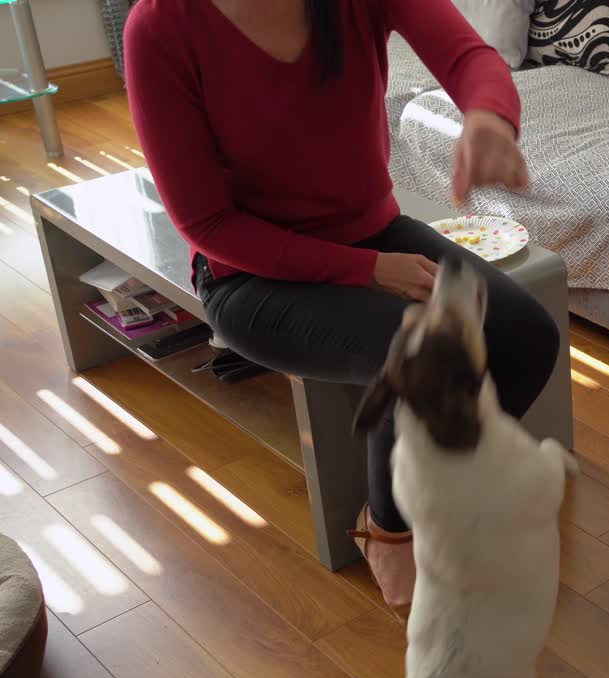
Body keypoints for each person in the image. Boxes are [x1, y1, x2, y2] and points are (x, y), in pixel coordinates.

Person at [124, 0, 559, 618]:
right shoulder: (161, 27)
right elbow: (208, 223)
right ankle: (389, 532)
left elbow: (467, 55)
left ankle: (440, 497)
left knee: (524, 335)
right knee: (415, 354)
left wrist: (489, 116)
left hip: (374, 233)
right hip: (252, 277)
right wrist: (367, 271)